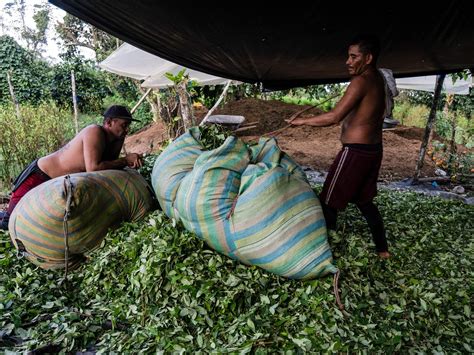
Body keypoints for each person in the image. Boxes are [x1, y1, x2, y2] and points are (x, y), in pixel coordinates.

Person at [286, 34, 390, 258]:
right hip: (373, 150)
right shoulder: (377, 79)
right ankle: (383, 251)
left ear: (368, 58)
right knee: (364, 201)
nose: (348, 61)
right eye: (348, 56)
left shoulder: (361, 81)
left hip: (356, 151)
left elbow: (334, 117)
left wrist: (301, 121)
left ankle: (320, 253)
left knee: (327, 201)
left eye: (354, 57)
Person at [0, 105, 142, 230]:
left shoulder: (116, 138)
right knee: (10, 221)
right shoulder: (94, 131)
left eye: (128, 125)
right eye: (124, 125)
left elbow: (108, 168)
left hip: (56, 184)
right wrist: (125, 160)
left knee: (31, 218)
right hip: (39, 175)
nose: (127, 129)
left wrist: (128, 160)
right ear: (109, 122)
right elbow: (93, 168)